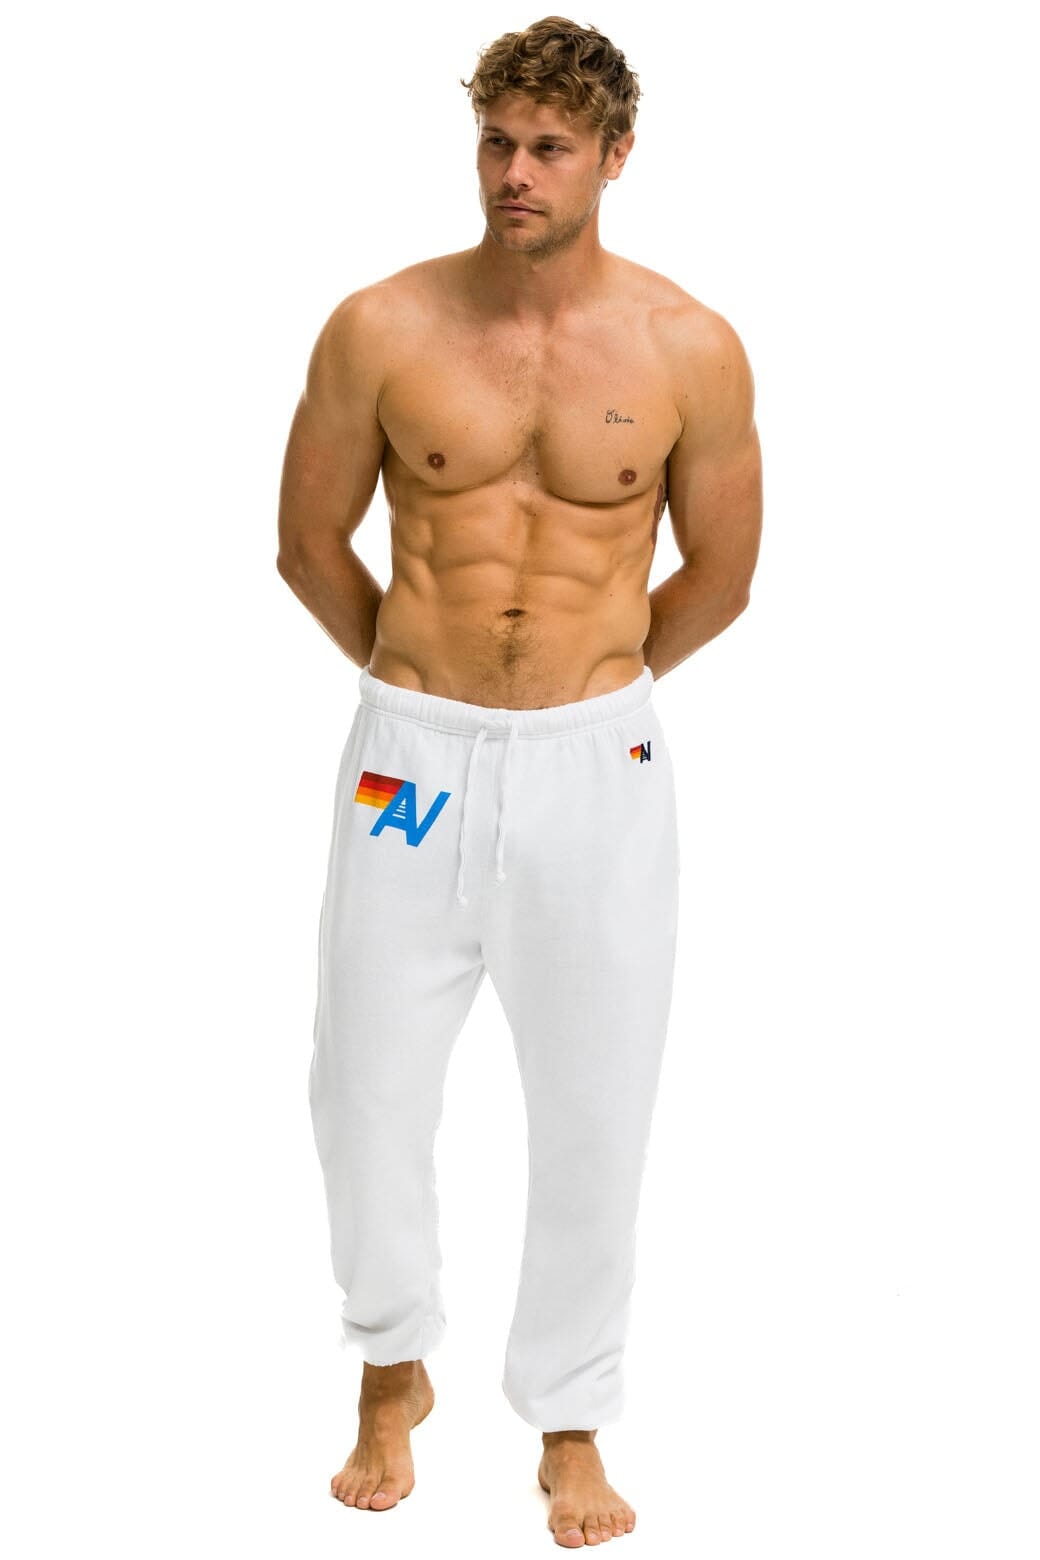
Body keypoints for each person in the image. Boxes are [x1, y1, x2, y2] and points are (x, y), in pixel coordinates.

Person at [276, 14, 762, 1548]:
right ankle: (390, 1366)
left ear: (617, 157)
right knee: (364, 1085)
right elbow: (306, 544)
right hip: (408, 760)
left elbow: (724, 574)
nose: (515, 173)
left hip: (595, 765)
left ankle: (569, 1421)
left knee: (597, 1101)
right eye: (496, 140)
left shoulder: (689, 345)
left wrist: (581, 693)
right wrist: (420, 686)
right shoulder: (381, 327)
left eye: (550, 147)